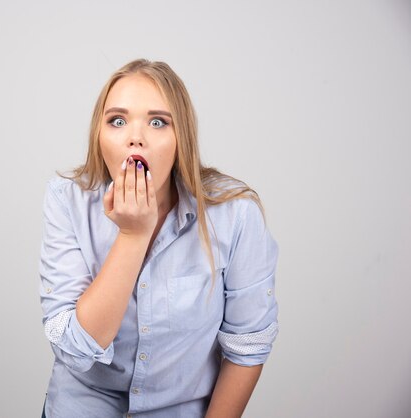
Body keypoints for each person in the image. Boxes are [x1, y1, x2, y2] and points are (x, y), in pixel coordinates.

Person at [39, 58, 279, 418]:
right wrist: (133, 235)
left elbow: (248, 348)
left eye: (157, 122)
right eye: (117, 121)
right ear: (99, 137)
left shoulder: (236, 214)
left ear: (181, 136)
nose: (136, 136)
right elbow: (75, 349)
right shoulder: (67, 200)